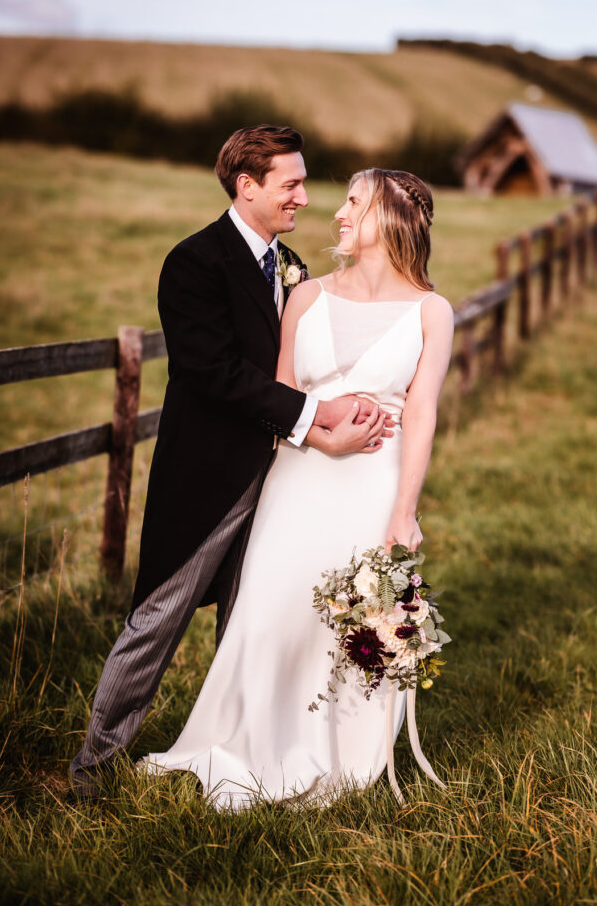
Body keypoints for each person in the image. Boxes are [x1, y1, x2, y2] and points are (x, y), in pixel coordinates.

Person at [70, 126, 389, 799]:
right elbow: (211, 372)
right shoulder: (194, 262)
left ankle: (240, 746)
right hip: (208, 478)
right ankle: (93, 768)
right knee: (159, 617)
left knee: (252, 618)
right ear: (247, 186)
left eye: (303, 183)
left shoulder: (290, 265)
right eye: (290, 184)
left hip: (283, 479)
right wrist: (314, 421)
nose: (303, 196)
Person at [137, 167, 454, 809]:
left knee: (348, 622)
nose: (336, 213)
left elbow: (421, 413)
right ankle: (248, 739)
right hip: (297, 479)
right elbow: (279, 398)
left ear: (390, 218)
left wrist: (405, 511)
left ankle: (349, 755)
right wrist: (321, 428)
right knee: (274, 614)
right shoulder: (305, 296)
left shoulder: (431, 311)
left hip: (373, 487)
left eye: (353, 203)